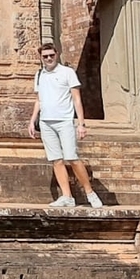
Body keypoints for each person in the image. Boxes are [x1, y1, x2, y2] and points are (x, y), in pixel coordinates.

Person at [29, 43, 103, 208]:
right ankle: (67, 196)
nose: (49, 58)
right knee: (56, 160)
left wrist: (81, 124)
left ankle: (90, 192)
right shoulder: (39, 74)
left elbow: (76, 99)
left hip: (64, 121)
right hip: (46, 122)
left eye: (51, 55)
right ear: (41, 58)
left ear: (57, 54)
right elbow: (38, 100)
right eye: (45, 56)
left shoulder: (67, 73)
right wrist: (32, 120)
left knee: (72, 158)